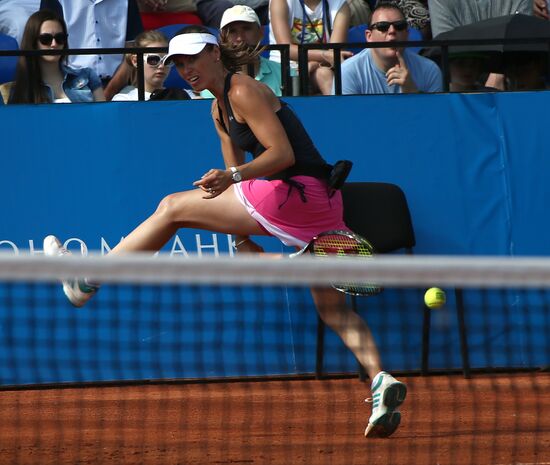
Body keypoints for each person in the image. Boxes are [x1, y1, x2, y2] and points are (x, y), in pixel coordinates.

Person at [44, 24, 407, 439]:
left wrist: (232, 174)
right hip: (318, 204)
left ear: (215, 53)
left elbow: (280, 154)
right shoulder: (217, 108)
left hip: (295, 192)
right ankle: (381, 380)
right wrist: (239, 237)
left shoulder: (242, 90)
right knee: (333, 310)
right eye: (178, 63)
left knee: (171, 208)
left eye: (193, 58)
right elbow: (233, 184)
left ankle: (86, 281)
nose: (186, 69)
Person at [40, 0, 144, 100]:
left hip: (119, 88)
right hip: (68, 87)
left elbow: (132, 50)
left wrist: (109, 92)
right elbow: (45, 45)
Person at [338, 1, 442, 95]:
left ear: (407, 34)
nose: (392, 31)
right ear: (369, 36)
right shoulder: (348, 72)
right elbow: (346, 115)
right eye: (382, 26)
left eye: (399, 26)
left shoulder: (429, 71)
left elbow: (436, 115)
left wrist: (413, 92)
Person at [8, 10, 105, 104]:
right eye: (46, 39)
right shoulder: (22, 89)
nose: (54, 44)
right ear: (33, 42)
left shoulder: (87, 76)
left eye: (60, 38)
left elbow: (103, 117)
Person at [269, 0, 353, 95]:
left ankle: (339, 108)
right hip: (283, 67)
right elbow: (287, 51)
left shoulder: (340, 4)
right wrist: (324, 55)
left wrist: (314, 64)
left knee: (324, 74)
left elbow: (334, 54)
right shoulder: (280, 2)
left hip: (321, 66)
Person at [201, 5, 283, 98]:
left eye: (246, 29)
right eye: (232, 31)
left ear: (261, 32)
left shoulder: (285, 73)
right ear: (222, 37)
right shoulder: (212, 83)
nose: (240, 38)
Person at [112, 29, 192, 101]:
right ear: (136, 61)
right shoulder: (124, 100)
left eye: (167, 60)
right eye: (153, 59)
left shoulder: (186, 95)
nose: (161, 66)